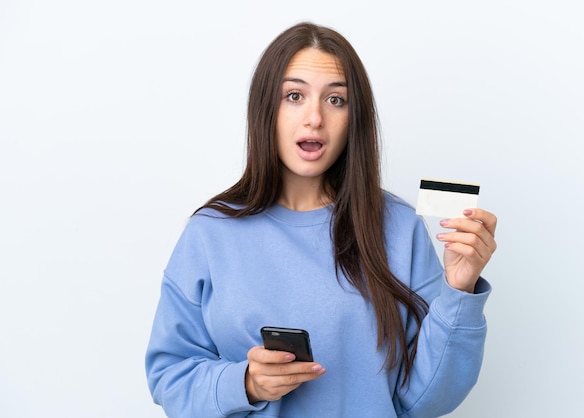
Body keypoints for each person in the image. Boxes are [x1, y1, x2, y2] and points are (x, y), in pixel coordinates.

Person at [145, 21, 497, 418]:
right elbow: (169, 378)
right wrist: (245, 383)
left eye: (336, 100)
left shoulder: (400, 228)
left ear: (354, 119)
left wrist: (459, 290)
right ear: (266, 110)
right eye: (294, 96)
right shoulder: (209, 233)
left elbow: (426, 399)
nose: (314, 118)